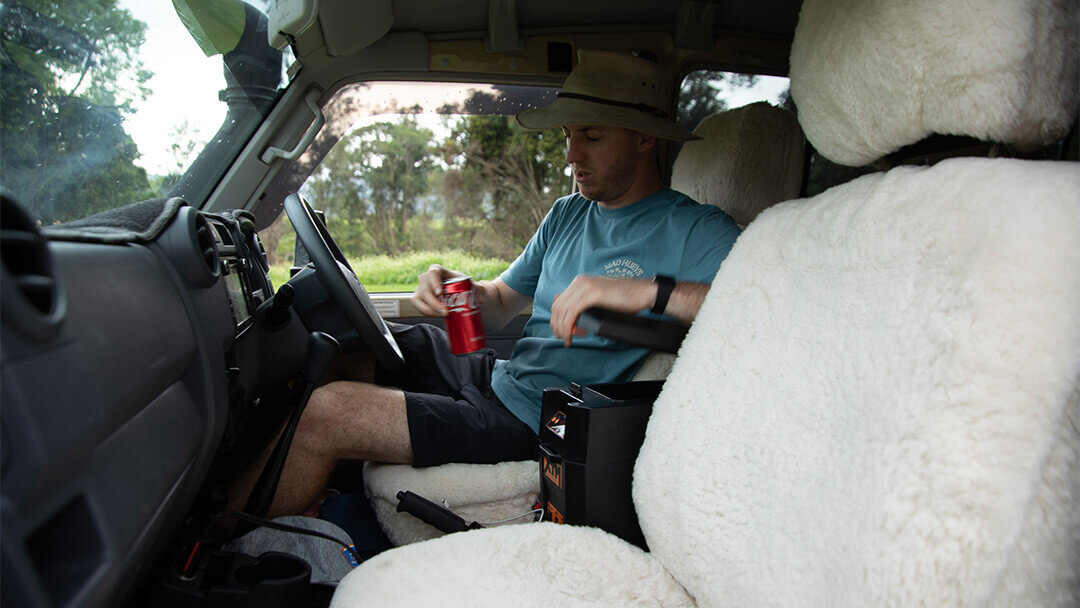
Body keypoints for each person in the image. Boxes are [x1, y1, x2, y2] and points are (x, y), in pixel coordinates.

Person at [239, 50, 741, 517]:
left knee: (331, 413)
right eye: (567, 134)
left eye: (590, 135)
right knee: (353, 343)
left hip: (539, 420)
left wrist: (647, 290)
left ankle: (224, 539)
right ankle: (316, 492)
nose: (571, 154)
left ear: (644, 136)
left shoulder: (694, 229)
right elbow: (500, 302)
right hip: (493, 375)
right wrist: (457, 291)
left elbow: (756, 308)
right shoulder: (568, 213)